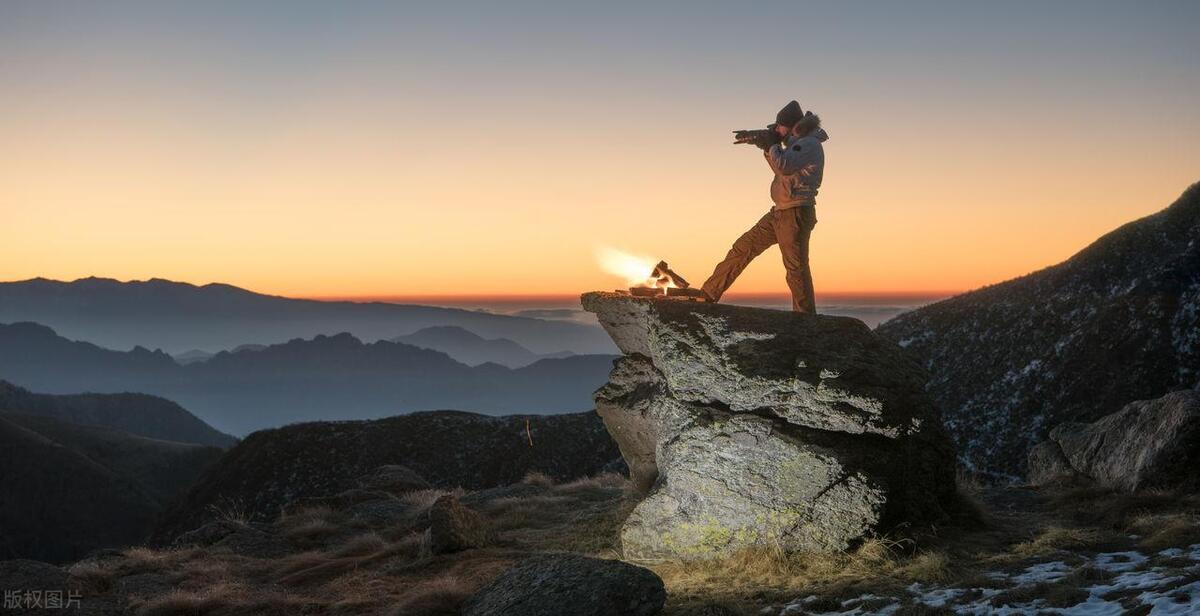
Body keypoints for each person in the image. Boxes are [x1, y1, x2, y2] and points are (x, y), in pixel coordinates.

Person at [700, 100, 828, 313]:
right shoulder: (796, 144)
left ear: (792, 126)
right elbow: (780, 165)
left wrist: (770, 144)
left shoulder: (809, 144)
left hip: (795, 213)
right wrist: (764, 144)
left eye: (779, 126)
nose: (776, 130)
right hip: (780, 212)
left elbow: (783, 167)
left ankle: (805, 318)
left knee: (795, 268)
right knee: (743, 247)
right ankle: (708, 293)